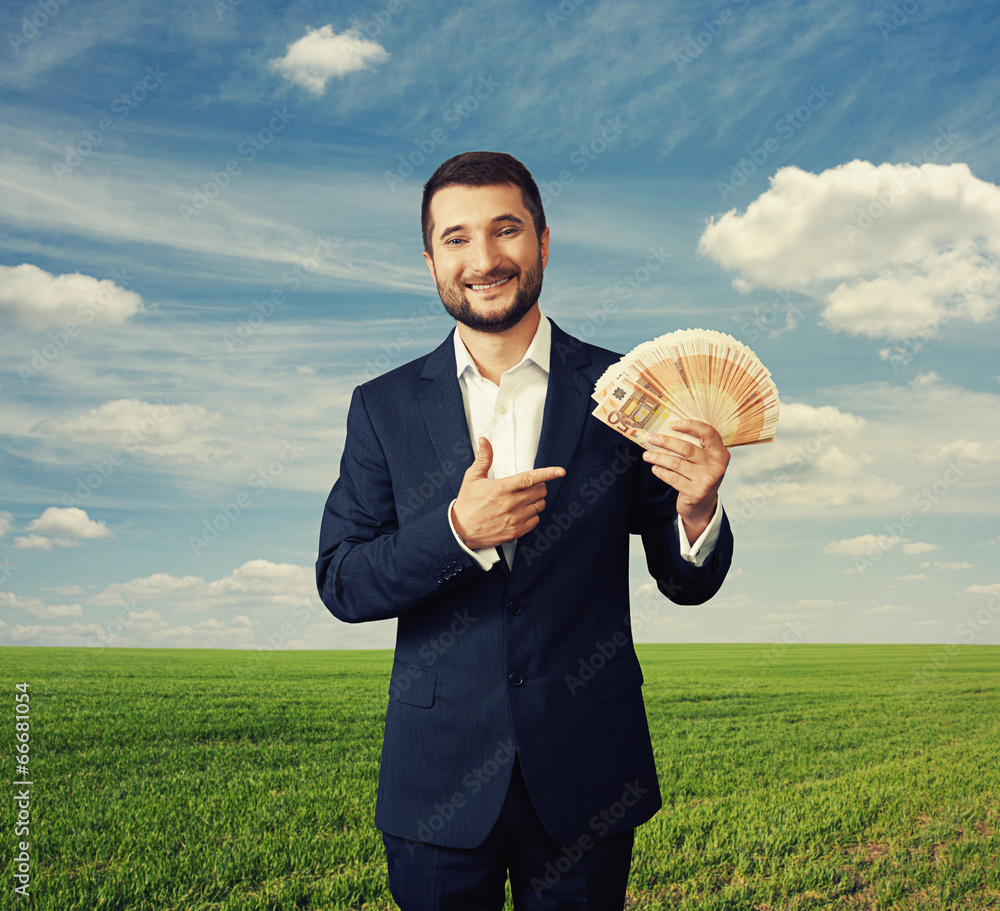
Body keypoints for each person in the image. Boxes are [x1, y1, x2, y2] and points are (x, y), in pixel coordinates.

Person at [316, 151, 733, 910]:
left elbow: (685, 579)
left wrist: (697, 509)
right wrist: (455, 531)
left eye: (506, 231)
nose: (484, 259)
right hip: (435, 784)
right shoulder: (382, 407)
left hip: (586, 774)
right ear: (429, 258)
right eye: (456, 238)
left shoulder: (627, 392)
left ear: (543, 239)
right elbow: (342, 579)